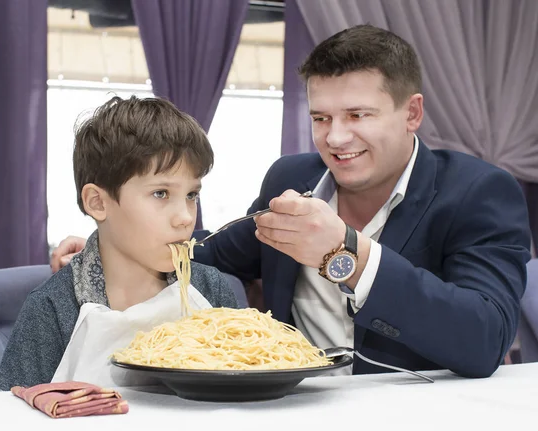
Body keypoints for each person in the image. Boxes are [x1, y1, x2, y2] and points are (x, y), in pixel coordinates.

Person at [51, 25, 531, 378]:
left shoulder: (479, 191)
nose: (336, 138)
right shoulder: (293, 177)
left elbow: (483, 338)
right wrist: (107, 241)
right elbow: (210, 250)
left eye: (358, 114)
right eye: (321, 117)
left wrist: (345, 256)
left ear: (412, 113)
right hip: (286, 410)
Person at [0, 96, 237, 391]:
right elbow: (7, 412)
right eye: (161, 193)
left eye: (191, 195)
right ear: (98, 202)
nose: (185, 218)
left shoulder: (211, 290)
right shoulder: (53, 309)